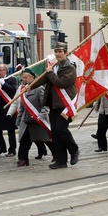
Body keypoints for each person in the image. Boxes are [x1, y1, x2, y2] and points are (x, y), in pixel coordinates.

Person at [33, 41, 79, 169]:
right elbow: (44, 79)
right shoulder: (54, 66)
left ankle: (74, 150)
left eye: (60, 52)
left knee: (61, 129)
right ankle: (60, 160)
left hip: (65, 105)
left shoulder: (70, 68)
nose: (58, 54)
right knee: (55, 133)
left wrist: (50, 73)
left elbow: (61, 82)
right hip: (53, 103)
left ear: (66, 53)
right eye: (56, 51)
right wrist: (30, 85)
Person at [15, 69, 52, 167]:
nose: (24, 79)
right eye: (22, 77)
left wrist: (41, 116)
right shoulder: (23, 89)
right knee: (24, 139)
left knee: (46, 139)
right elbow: (22, 106)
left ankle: (57, 154)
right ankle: (23, 159)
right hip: (27, 119)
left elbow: (45, 104)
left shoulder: (39, 88)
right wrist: (19, 119)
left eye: (26, 77)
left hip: (38, 119)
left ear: (32, 77)